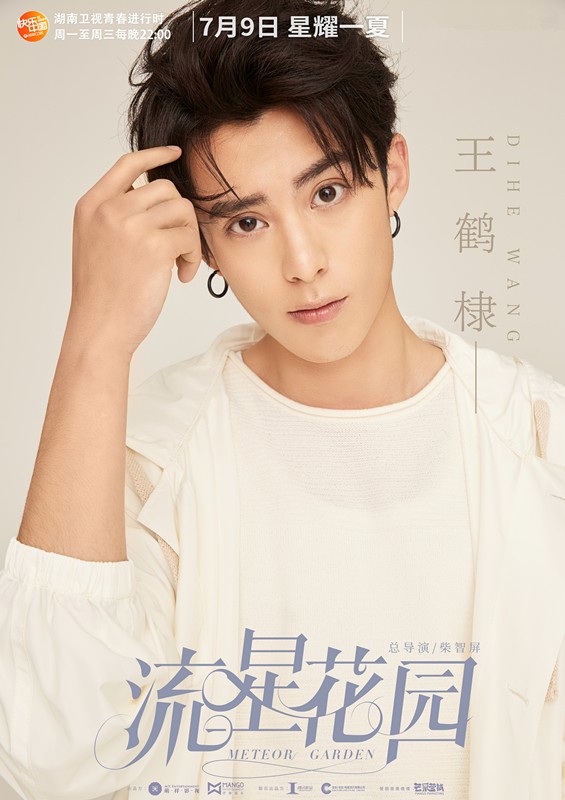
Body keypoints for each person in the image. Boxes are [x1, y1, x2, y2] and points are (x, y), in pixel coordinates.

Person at [1, 0, 564, 798]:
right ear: (199, 238)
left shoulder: (538, 442)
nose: (302, 262)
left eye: (326, 192)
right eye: (245, 222)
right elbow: (55, 762)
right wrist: (95, 343)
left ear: (392, 172)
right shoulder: (151, 457)